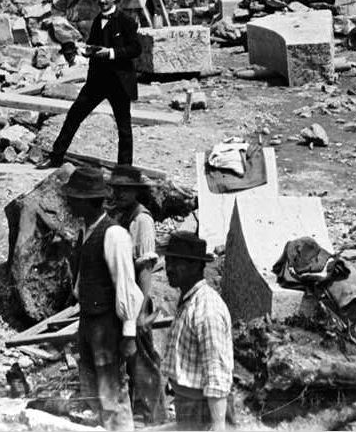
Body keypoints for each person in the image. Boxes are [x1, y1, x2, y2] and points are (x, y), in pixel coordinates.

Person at [64, 166, 144, 431]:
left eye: (73, 198)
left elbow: (126, 286)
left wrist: (129, 334)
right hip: (88, 321)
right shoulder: (85, 232)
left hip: (107, 326)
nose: (69, 202)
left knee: (112, 393)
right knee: (92, 391)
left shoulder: (114, 235)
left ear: (87, 201)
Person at [43, 0, 142, 167]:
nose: (102, 1)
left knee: (124, 127)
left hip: (119, 82)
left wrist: (111, 53)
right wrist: (86, 51)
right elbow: (94, 45)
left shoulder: (127, 21)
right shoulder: (97, 20)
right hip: (97, 81)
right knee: (74, 115)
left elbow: (135, 48)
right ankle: (56, 158)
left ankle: (125, 170)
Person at [108, 166, 166, 425]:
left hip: (137, 300)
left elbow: (145, 268)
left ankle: (154, 418)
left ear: (135, 192)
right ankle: (134, 414)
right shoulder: (121, 215)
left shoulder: (142, 220)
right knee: (128, 360)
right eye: (116, 189)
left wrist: (142, 310)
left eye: (125, 189)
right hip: (122, 298)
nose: (119, 194)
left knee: (142, 360)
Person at [161, 231, 233, 432]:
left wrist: (218, 424)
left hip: (204, 409)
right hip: (189, 404)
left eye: (176, 263)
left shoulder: (206, 308)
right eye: (168, 261)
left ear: (194, 266)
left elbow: (216, 368)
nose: (169, 268)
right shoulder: (188, 300)